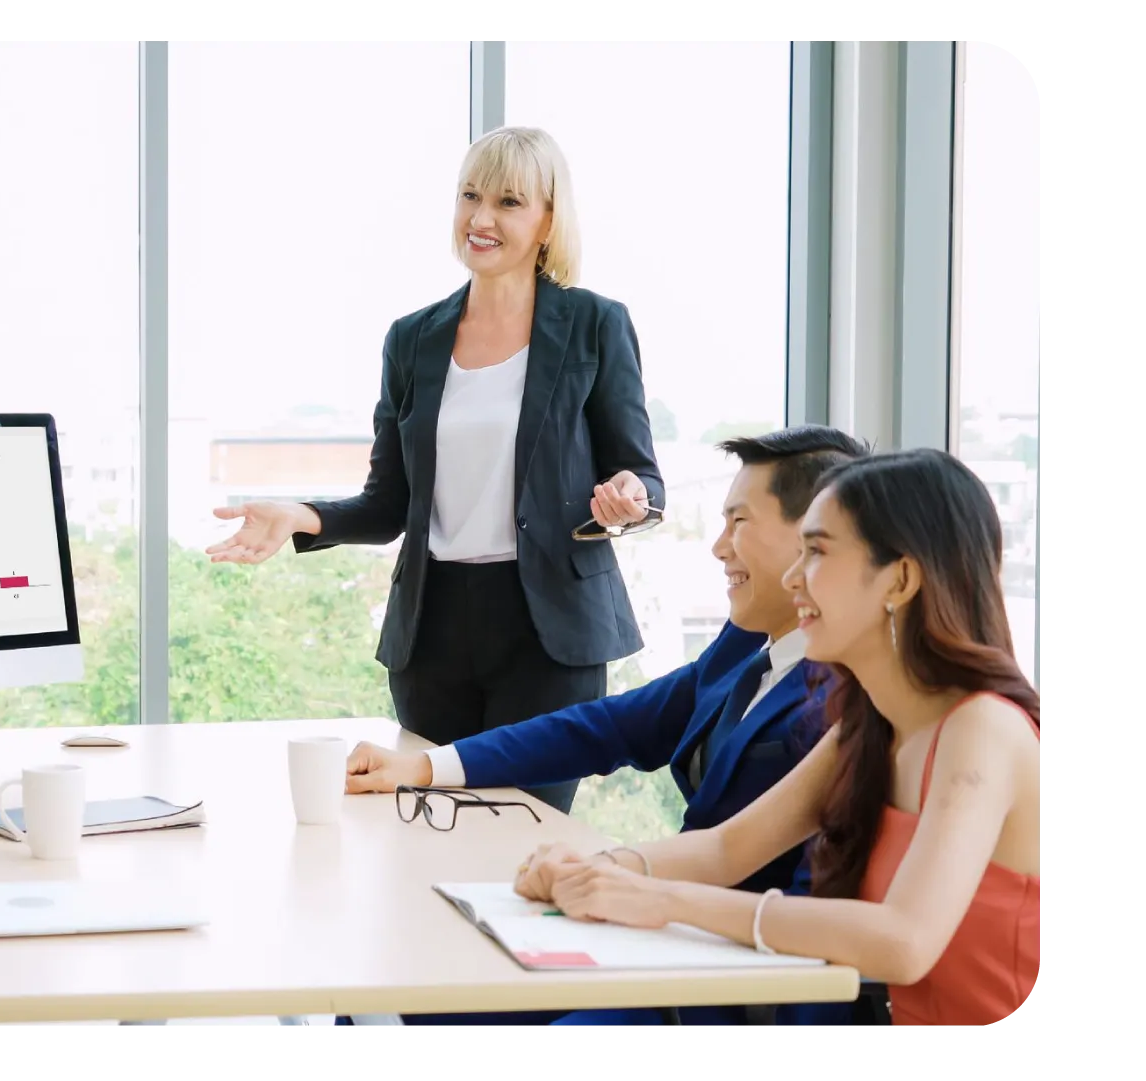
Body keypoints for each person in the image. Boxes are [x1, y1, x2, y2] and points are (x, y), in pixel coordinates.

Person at [342, 424, 870, 1031]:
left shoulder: (854, 697)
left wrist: (619, 879)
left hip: (724, 979)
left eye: (739, 523)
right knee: (424, 995)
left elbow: (803, 904)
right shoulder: (744, 648)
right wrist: (428, 767)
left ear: (816, 541)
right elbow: (608, 727)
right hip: (654, 935)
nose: (719, 547)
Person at [206, 126, 661, 816]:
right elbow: (388, 503)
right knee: (425, 834)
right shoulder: (412, 338)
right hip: (434, 632)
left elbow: (641, 475)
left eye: (508, 201)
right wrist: (301, 515)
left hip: (547, 636)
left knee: (519, 831)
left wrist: (628, 496)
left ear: (546, 220)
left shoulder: (594, 324)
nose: (481, 218)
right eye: (469, 196)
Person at [517, 448, 1040, 1029]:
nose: (793, 577)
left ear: (901, 579)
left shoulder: (981, 728)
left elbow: (905, 941)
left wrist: (659, 899)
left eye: (817, 552)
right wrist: (599, 868)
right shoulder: (868, 725)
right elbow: (725, 851)